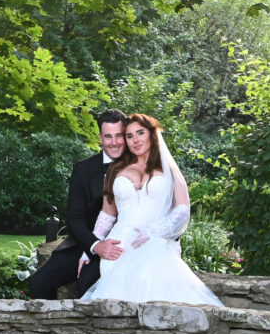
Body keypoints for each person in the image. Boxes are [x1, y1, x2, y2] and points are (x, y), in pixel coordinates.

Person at [79, 113, 223, 306]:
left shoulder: (168, 170)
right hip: (118, 248)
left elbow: (182, 211)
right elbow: (107, 214)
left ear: (152, 135)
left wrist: (153, 232)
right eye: (129, 136)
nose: (135, 140)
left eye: (140, 133)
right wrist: (89, 249)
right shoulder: (115, 170)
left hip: (155, 242)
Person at [28, 109, 127, 299]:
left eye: (119, 136)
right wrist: (95, 245)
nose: (114, 142)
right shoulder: (83, 168)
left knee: (87, 282)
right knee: (39, 283)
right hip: (85, 241)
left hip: (122, 244)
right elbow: (74, 218)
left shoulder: (138, 166)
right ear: (100, 137)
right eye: (108, 136)